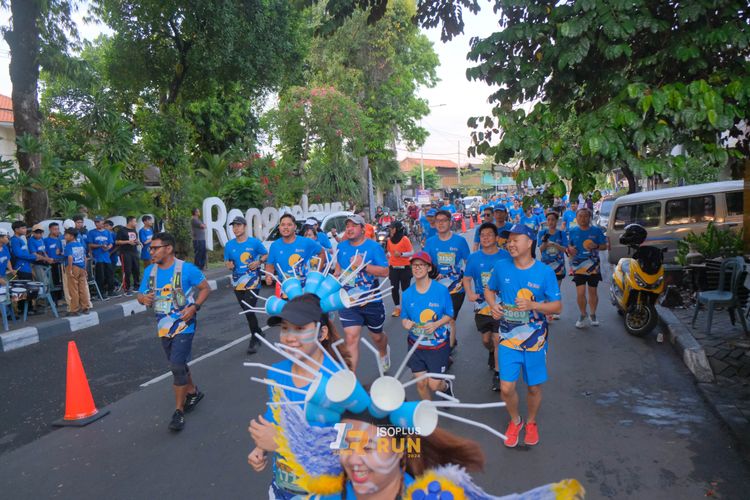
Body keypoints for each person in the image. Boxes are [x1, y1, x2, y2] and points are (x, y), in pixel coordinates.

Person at [247, 293, 349, 499]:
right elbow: (275, 416)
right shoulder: (276, 373)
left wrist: (284, 442)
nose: (289, 337)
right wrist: (261, 447)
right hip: (281, 488)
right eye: (285, 328)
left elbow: (346, 448)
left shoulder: (339, 383)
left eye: (300, 329)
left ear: (322, 333)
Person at [486, 224, 562, 448]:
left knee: (533, 387)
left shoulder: (545, 272)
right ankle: (515, 420)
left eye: (515, 240)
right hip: (508, 338)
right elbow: (489, 289)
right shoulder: (501, 267)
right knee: (506, 387)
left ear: (529, 243)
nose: (510, 244)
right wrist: (493, 305)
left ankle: (531, 422)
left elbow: (557, 307)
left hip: (535, 340)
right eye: (508, 240)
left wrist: (533, 305)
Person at [137, 232, 210, 432]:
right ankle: (193, 391)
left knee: (176, 365)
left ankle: (178, 411)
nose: (151, 252)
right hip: (163, 326)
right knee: (179, 363)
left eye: (155, 248)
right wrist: (143, 299)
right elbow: (140, 294)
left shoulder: (186, 269)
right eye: (150, 248)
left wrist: (194, 307)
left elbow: (205, 288)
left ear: (168, 248)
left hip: (185, 324)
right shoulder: (150, 271)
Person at [335, 214, 390, 371]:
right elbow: (338, 268)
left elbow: (385, 271)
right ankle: (350, 379)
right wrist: (335, 277)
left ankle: (383, 352)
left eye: (354, 226)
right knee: (351, 338)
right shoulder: (341, 247)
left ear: (363, 229)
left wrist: (363, 265)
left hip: (371, 300)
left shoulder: (374, 247)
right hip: (348, 300)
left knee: (377, 337)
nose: (349, 229)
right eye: (347, 226)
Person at [463, 222, 511, 392]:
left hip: (501, 305)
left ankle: (498, 374)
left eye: (489, 235)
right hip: (482, 306)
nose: (485, 238)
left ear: (496, 238)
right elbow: (466, 278)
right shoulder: (474, 258)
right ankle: (492, 352)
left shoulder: (506, 256)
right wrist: (470, 293)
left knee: (498, 339)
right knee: (486, 340)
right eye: (482, 235)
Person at [400, 251, 454, 400]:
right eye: (414, 265)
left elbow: (450, 314)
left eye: (421, 265)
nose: (417, 268)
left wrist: (436, 324)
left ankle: (446, 386)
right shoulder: (407, 294)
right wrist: (405, 323)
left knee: (434, 385)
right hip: (416, 345)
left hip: (437, 345)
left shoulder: (441, 290)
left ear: (429, 268)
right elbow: (404, 317)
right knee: (421, 383)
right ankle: (429, 411)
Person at [423, 210, 470, 351]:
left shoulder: (460, 241)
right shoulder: (430, 242)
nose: (441, 223)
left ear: (450, 222)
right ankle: (449, 340)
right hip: (436, 288)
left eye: (444, 220)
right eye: (438, 221)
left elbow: (469, 263)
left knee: (450, 319)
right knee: (438, 318)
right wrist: (431, 273)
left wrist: (469, 285)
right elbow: (425, 263)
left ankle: (447, 351)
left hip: (456, 288)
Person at [224, 216, 268, 355]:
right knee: (246, 309)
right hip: (237, 283)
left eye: (238, 225)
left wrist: (259, 262)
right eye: (233, 226)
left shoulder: (254, 242)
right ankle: (258, 331)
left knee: (248, 309)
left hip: (253, 281)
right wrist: (229, 265)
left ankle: (255, 339)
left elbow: (265, 254)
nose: (235, 228)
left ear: (245, 226)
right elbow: (227, 261)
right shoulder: (229, 245)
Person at [568, 206, 607, 328]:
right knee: (580, 293)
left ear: (590, 217)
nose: (583, 218)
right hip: (578, 266)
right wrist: (570, 250)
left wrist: (596, 246)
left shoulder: (596, 231)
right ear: (576, 218)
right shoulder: (572, 231)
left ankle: (593, 314)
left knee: (593, 291)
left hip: (593, 266)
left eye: (585, 216)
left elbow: (604, 246)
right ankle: (583, 314)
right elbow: (568, 247)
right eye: (580, 216)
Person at [265, 213, 326, 286]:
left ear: (295, 227)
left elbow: (322, 252)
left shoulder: (306, 242)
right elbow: (270, 265)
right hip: (285, 287)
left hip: (305, 288)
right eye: (283, 225)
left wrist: (316, 273)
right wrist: (268, 276)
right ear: (279, 227)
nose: (285, 227)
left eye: (289, 225)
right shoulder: (274, 246)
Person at [11, 221, 50, 314]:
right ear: (16, 230)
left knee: (27, 289)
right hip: (21, 267)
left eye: (25, 228)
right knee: (24, 289)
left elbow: (25, 253)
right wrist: (34, 257)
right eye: (23, 228)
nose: (25, 230)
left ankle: (27, 309)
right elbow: (19, 254)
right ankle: (26, 309)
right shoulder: (14, 240)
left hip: (27, 267)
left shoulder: (21, 239)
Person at [538, 210, 568, 319]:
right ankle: (547, 310)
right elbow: (540, 249)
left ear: (557, 221)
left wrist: (554, 244)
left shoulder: (561, 233)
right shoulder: (542, 233)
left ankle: (555, 310)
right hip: (545, 266)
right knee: (546, 288)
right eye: (548, 220)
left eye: (553, 220)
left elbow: (565, 249)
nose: (550, 222)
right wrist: (545, 243)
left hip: (559, 266)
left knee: (556, 289)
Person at [385, 220, 413, 318]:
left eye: (392, 228)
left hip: (405, 268)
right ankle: (397, 308)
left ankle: (406, 308)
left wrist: (401, 254)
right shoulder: (389, 240)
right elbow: (389, 251)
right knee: (394, 289)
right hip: (393, 268)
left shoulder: (405, 239)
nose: (390, 230)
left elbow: (411, 252)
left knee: (405, 290)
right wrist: (388, 255)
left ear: (397, 229)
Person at [63, 228, 91, 316]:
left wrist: (70, 269)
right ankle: (85, 307)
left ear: (71, 236)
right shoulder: (80, 244)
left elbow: (70, 257)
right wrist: (85, 269)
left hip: (73, 267)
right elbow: (85, 257)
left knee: (73, 289)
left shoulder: (68, 245)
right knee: (83, 288)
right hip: (82, 267)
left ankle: (74, 309)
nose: (65, 236)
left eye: (66, 235)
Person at [89, 216, 115, 299]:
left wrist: (108, 247)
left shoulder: (107, 232)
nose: (97, 223)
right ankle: (101, 293)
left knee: (110, 274)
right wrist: (100, 245)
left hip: (106, 257)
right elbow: (90, 244)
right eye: (96, 222)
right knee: (100, 276)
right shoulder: (91, 232)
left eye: (99, 221)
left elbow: (111, 243)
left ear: (102, 222)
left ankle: (111, 291)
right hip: (97, 257)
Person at [116, 216, 140, 296]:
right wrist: (128, 242)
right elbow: (117, 242)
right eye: (135, 221)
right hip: (125, 253)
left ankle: (136, 286)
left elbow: (134, 240)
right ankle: (127, 288)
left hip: (134, 251)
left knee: (136, 269)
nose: (136, 223)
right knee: (127, 270)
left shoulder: (134, 230)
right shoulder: (122, 230)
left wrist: (137, 242)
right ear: (130, 222)